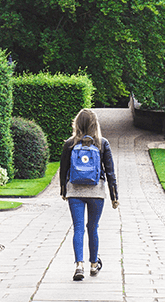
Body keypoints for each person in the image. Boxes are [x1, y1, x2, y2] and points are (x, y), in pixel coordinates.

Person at [60, 108, 119, 281]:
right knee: (92, 228)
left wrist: (63, 190)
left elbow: (63, 170)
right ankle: (94, 264)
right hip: (96, 191)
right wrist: (114, 195)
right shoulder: (102, 143)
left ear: (77, 123)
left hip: (75, 191)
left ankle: (79, 265)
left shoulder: (70, 143)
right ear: (95, 124)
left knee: (78, 228)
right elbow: (110, 172)